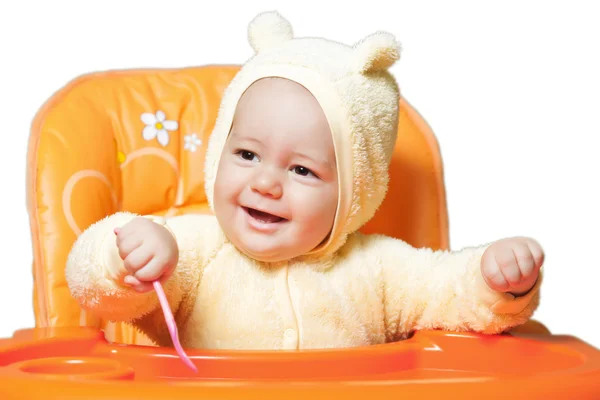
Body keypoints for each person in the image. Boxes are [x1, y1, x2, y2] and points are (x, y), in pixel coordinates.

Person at [65, 11, 543, 350]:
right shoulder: (192, 252)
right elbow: (94, 287)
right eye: (248, 154)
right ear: (219, 154)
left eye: (302, 170)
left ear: (353, 194)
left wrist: (496, 281)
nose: (267, 184)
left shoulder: (378, 270)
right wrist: (124, 256)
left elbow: (450, 293)